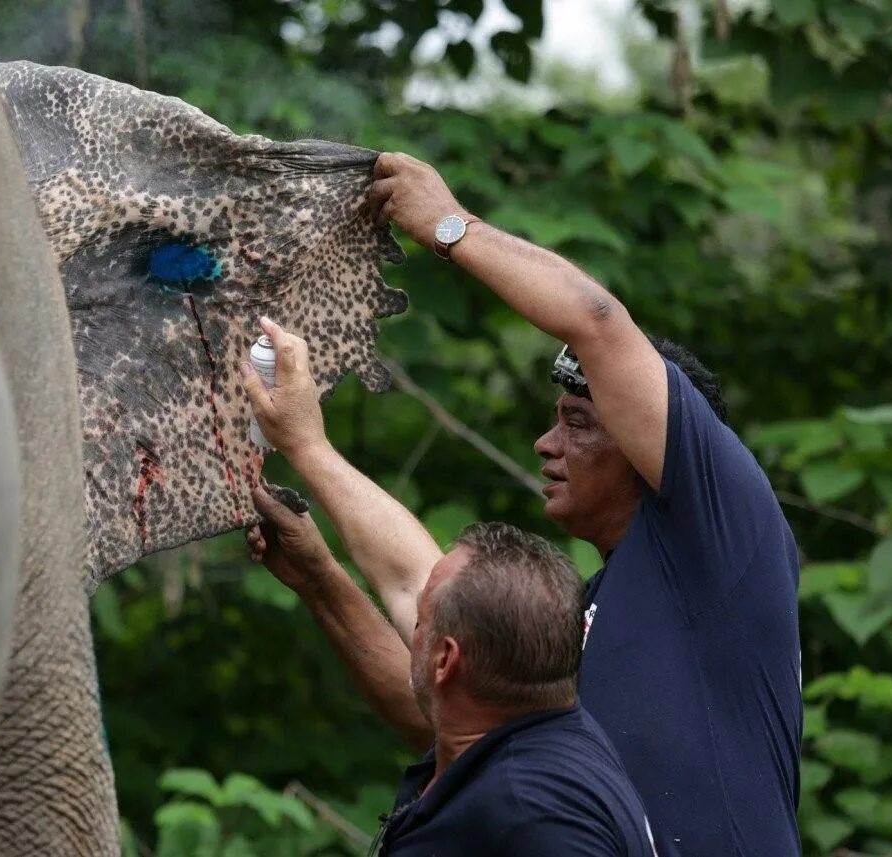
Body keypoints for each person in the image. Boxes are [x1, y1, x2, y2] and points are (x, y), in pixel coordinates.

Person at [240, 152, 802, 855]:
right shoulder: (575, 620)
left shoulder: (727, 537)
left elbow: (595, 319)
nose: (545, 442)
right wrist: (317, 522)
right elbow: (435, 645)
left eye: (576, 421)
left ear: (650, 441)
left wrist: (448, 224)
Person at [248, 489, 663, 855]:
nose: (412, 626)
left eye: (420, 617)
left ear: (445, 660)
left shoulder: (533, 820)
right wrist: (316, 577)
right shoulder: (535, 737)